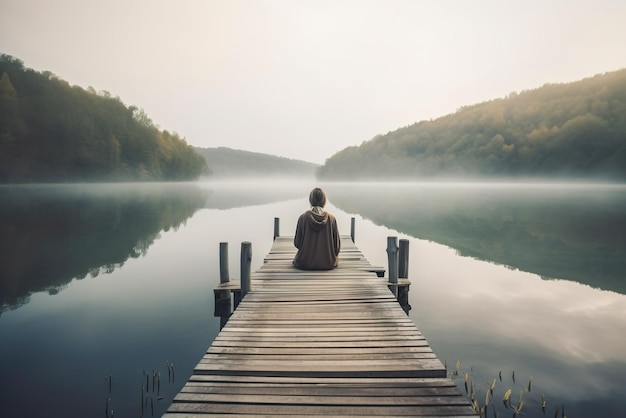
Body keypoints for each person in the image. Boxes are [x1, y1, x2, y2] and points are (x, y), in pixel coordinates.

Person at [293, 187, 340, 270]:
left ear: (311, 200)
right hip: (328, 263)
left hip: (304, 263)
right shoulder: (332, 219)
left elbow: (297, 243)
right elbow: (337, 248)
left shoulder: (303, 218)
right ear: (324, 201)